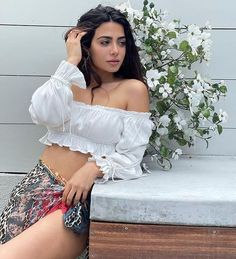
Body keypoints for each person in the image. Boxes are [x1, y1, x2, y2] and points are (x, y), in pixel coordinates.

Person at [0, 4, 154, 259]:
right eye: (105, 42)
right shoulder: (69, 83)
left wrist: (92, 169)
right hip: (34, 187)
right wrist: (70, 61)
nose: (116, 51)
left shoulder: (133, 90)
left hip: (73, 200)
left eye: (121, 42)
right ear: (85, 44)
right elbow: (41, 113)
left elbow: (131, 157)